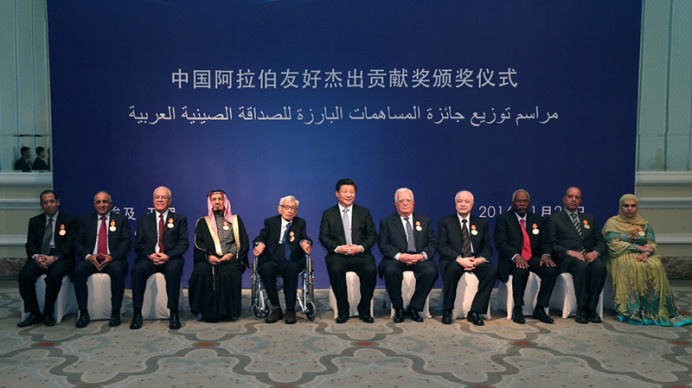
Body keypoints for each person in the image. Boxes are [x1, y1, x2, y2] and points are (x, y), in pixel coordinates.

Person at [602, 194, 691, 326]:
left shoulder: (644, 224)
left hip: (644, 254)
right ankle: (632, 310)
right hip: (620, 255)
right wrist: (638, 247)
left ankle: (655, 310)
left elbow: (652, 243)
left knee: (655, 265)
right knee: (633, 265)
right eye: (626, 206)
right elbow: (613, 244)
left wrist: (646, 253)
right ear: (621, 207)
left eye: (633, 206)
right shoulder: (612, 223)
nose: (630, 209)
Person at [319, 178, 377, 323]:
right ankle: (342, 311)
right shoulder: (328, 214)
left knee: (370, 270)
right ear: (337, 194)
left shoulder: (364, 212)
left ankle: (364, 310)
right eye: (345, 191)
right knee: (336, 271)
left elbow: (372, 235)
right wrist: (339, 248)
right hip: (338, 255)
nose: (348, 195)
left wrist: (360, 247)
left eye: (352, 192)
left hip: (360, 254)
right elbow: (323, 236)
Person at [494, 189, 557, 324]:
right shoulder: (504, 219)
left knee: (550, 270)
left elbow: (546, 241)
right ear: (513, 203)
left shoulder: (538, 219)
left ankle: (540, 308)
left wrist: (546, 255)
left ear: (529, 203)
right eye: (519, 201)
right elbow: (501, 244)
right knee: (521, 270)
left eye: (525, 201)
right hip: (512, 259)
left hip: (532, 257)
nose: (522, 203)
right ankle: (518, 308)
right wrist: (516, 256)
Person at [17, 190, 78, 327]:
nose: (49, 205)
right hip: (40, 256)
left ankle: (48, 312)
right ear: (41, 205)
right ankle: (34, 313)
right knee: (24, 276)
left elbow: (70, 244)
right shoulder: (34, 222)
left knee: (54, 275)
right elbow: (30, 244)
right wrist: (36, 257)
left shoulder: (70, 220)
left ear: (58, 202)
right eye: (45, 202)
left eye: (52, 201)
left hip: (61, 258)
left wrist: (54, 257)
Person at [130, 186, 189, 330]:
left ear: (170, 201)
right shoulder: (144, 220)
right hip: (149, 258)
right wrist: (150, 255)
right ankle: (137, 313)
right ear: (153, 200)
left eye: (164, 197)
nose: (160, 200)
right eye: (157, 197)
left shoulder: (180, 219)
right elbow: (138, 245)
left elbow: (183, 243)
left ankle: (173, 313)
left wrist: (167, 255)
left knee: (173, 270)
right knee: (137, 270)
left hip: (170, 258)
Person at [547, 186, 607, 324]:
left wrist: (595, 252)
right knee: (581, 266)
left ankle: (591, 309)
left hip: (589, 256)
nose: (573, 200)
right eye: (570, 196)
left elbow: (600, 242)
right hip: (567, 259)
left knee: (599, 267)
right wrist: (570, 252)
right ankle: (580, 309)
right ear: (564, 199)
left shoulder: (590, 219)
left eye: (577, 197)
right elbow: (552, 245)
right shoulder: (555, 219)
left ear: (580, 201)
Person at [377, 188, 438, 323]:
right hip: (397, 259)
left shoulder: (425, 220)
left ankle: (415, 308)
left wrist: (422, 256)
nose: (405, 203)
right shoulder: (387, 222)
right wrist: (400, 256)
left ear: (413, 202)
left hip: (419, 258)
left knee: (431, 270)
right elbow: (383, 245)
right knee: (391, 270)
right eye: (401, 201)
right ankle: (398, 308)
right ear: (395, 204)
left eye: (408, 200)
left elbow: (433, 243)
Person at [74, 191, 132, 328]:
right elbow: (77, 243)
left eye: (105, 201)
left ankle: (116, 312)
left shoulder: (121, 220)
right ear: (94, 205)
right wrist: (89, 257)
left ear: (111, 204)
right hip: (91, 259)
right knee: (78, 271)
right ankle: (83, 312)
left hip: (113, 259)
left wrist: (111, 257)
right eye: (98, 202)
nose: (102, 205)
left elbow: (126, 242)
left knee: (118, 271)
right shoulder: (85, 220)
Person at [189, 190, 249, 322]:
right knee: (202, 271)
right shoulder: (202, 222)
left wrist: (231, 254)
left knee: (229, 272)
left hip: (230, 258)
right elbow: (199, 244)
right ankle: (203, 310)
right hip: (210, 258)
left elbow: (241, 241)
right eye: (214, 199)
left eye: (219, 199)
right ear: (210, 203)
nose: (217, 202)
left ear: (225, 201)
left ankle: (230, 312)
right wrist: (208, 257)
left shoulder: (235, 220)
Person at [438, 190, 496, 326]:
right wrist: (459, 259)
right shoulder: (445, 222)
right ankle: (448, 310)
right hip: (455, 260)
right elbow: (442, 246)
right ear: (455, 204)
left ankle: (475, 311)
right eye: (460, 201)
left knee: (491, 271)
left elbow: (488, 247)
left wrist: (480, 260)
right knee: (451, 270)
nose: (463, 204)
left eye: (466, 201)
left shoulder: (481, 222)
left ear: (472, 205)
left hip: (475, 259)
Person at [253, 195, 312, 324]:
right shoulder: (270, 222)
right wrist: (260, 244)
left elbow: (304, 237)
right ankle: (276, 308)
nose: (290, 211)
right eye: (287, 207)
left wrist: (304, 242)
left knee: (291, 270)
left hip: (292, 258)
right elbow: (261, 236)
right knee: (266, 269)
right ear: (280, 209)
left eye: (293, 208)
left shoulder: (300, 222)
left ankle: (290, 310)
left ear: (296, 212)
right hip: (273, 257)